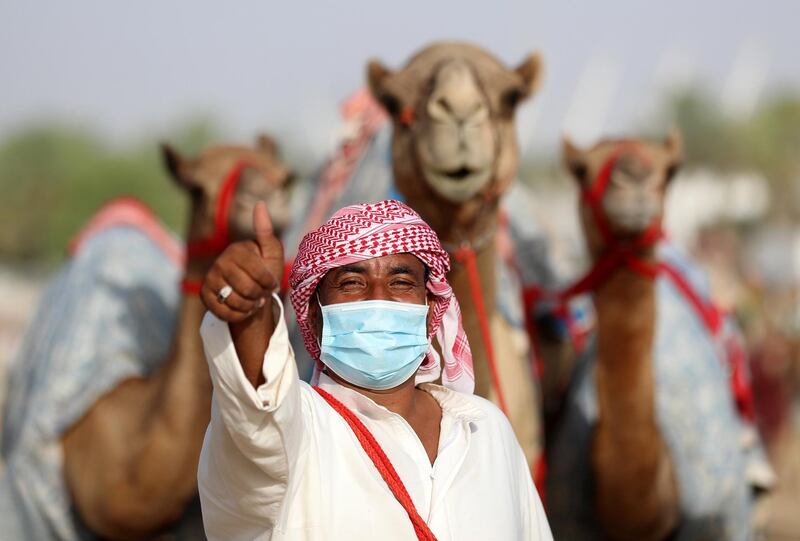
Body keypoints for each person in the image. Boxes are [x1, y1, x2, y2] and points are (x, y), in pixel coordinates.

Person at [197, 199, 553, 540]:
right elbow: (259, 416)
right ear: (316, 318)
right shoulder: (298, 434)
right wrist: (251, 313)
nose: (379, 298)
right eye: (352, 283)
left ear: (430, 310)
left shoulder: (486, 429)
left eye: (401, 283)